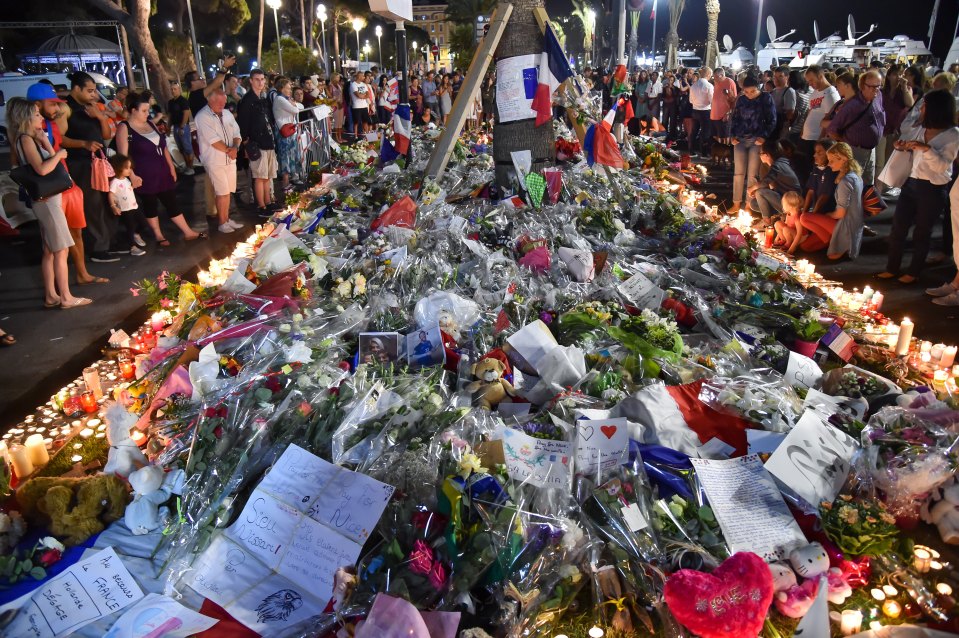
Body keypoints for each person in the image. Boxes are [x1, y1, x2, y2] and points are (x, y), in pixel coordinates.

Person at [6, 98, 90, 309]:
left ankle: (52, 295)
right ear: (26, 118)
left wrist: (46, 144)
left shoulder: (28, 138)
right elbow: (42, 169)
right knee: (61, 249)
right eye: (36, 114)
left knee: (50, 250)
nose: (41, 117)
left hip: (48, 198)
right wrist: (59, 153)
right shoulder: (25, 139)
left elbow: (50, 166)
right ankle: (66, 297)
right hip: (48, 201)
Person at [28, 83, 107, 286]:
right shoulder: (26, 133)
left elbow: (60, 141)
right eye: (52, 104)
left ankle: (81, 274)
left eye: (57, 104)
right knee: (54, 245)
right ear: (37, 105)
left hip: (66, 184)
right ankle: (59, 292)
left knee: (75, 232)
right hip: (50, 189)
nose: (56, 108)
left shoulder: (50, 125)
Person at [877, 90, 959, 284]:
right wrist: (902, 146)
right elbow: (911, 149)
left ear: (936, 109)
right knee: (898, 228)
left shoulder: (953, 135)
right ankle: (892, 267)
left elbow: (941, 166)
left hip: (932, 187)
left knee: (922, 231)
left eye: (924, 105)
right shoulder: (921, 128)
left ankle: (913, 271)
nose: (921, 108)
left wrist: (926, 149)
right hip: (911, 182)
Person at [115, 91, 204, 245]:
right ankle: (158, 234)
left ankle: (187, 231)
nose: (146, 114)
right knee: (150, 204)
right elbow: (123, 157)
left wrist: (170, 166)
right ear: (133, 110)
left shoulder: (150, 123)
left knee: (171, 200)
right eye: (143, 111)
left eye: (147, 110)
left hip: (161, 170)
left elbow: (163, 148)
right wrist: (132, 175)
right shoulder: (124, 128)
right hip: (143, 173)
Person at [59, 71, 120, 264]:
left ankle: (109, 241)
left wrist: (101, 117)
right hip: (81, 163)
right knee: (92, 204)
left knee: (107, 199)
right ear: (77, 89)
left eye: (94, 91)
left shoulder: (91, 107)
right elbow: (60, 139)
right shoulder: (65, 108)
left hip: (99, 161)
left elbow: (106, 134)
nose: (94, 95)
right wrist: (83, 144)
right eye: (90, 91)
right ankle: (97, 247)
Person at [797, 142, 865, 260]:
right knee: (806, 247)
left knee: (804, 218)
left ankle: (840, 241)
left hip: (845, 224)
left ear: (843, 159)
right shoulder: (854, 176)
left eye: (832, 161)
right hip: (852, 223)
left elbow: (840, 213)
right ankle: (830, 239)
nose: (829, 164)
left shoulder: (846, 181)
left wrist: (827, 215)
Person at [824, 70, 886, 184]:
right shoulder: (852, 105)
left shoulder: (878, 96)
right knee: (854, 183)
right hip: (855, 150)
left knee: (868, 183)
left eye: (878, 86)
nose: (875, 89)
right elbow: (832, 129)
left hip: (871, 150)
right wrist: (846, 144)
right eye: (871, 86)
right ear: (862, 86)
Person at [195, 89, 243, 234]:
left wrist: (235, 147)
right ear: (210, 100)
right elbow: (213, 140)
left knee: (227, 191)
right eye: (219, 102)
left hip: (230, 158)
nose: (222, 105)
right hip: (215, 160)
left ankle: (226, 219)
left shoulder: (227, 113)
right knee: (221, 191)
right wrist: (231, 150)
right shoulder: (202, 116)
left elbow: (236, 132)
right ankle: (222, 222)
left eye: (224, 102)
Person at [730, 75, 776, 211]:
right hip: (740, 139)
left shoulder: (766, 98)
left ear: (758, 88)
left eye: (752, 91)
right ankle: (736, 203)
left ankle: (749, 204)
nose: (749, 95)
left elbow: (772, 119)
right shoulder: (741, 99)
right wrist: (732, 135)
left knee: (752, 174)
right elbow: (735, 117)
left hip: (756, 140)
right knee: (738, 173)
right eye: (746, 92)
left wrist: (764, 136)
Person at [237, 69, 279, 217]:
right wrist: (247, 145)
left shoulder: (263, 97)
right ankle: (261, 206)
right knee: (259, 176)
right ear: (251, 81)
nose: (260, 82)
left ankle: (268, 202)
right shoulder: (247, 100)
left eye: (262, 79)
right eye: (257, 79)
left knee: (267, 175)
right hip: (256, 143)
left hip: (268, 141)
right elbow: (242, 124)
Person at [875, 64, 916, 192]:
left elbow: (910, 103)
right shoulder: (882, 91)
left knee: (888, 161)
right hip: (881, 130)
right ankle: (878, 189)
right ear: (888, 75)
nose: (898, 77)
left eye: (901, 74)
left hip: (895, 130)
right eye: (895, 74)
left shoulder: (906, 90)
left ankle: (884, 187)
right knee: (879, 162)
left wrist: (904, 88)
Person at [748, 139, 801, 221]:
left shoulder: (779, 165)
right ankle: (777, 216)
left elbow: (765, 182)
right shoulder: (777, 164)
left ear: (767, 155)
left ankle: (767, 221)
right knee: (754, 203)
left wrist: (752, 188)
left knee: (760, 192)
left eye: (760, 153)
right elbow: (771, 186)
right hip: (782, 197)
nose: (759, 156)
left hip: (791, 202)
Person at [107, 154, 146, 256]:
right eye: (127, 168)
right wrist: (113, 206)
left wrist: (134, 186)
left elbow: (127, 190)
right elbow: (110, 194)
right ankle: (132, 247)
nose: (130, 170)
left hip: (134, 206)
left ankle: (136, 234)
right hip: (125, 209)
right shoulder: (114, 182)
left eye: (130, 168)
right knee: (130, 227)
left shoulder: (126, 179)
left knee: (143, 223)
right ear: (118, 168)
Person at [800, 66, 841, 163]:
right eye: (808, 81)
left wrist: (821, 141)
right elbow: (810, 112)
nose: (810, 84)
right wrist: (803, 131)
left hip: (817, 139)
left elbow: (829, 119)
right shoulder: (815, 92)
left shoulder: (830, 94)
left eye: (811, 80)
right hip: (807, 137)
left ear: (820, 76)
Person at [272, 77, 303, 191]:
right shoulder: (279, 99)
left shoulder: (285, 99)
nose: (290, 90)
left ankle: (293, 177)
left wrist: (293, 104)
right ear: (281, 88)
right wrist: (293, 104)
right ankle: (285, 182)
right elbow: (296, 110)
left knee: (292, 154)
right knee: (285, 156)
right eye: (288, 88)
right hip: (283, 131)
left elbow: (298, 106)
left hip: (289, 129)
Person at [167, 80, 195, 175]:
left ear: (179, 89)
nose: (173, 91)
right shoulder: (170, 102)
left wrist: (182, 127)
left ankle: (191, 167)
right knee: (181, 148)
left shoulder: (183, 101)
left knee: (187, 147)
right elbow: (170, 115)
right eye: (171, 89)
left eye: (175, 89)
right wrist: (168, 127)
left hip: (183, 126)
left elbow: (186, 113)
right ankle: (187, 166)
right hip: (175, 126)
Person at [803, 139, 838, 213]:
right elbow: (811, 191)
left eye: (819, 153)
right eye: (815, 152)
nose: (814, 155)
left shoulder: (833, 171)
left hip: (828, 212)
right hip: (816, 210)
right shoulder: (817, 167)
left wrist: (813, 215)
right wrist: (804, 212)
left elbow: (824, 197)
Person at [689, 67, 714, 156]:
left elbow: (691, 100)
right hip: (705, 110)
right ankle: (703, 152)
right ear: (708, 74)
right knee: (705, 132)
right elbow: (712, 100)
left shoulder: (693, 85)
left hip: (695, 110)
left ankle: (691, 150)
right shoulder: (709, 86)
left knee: (694, 131)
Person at [710, 67, 737, 146]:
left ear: (721, 75)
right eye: (713, 77)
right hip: (714, 114)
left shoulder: (729, 82)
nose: (714, 79)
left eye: (716, 77)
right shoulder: (716, 82)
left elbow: (734, 99)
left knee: (724, 136)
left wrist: (728, 113)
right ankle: (718, 153)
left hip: (723, 114)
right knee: (716, 135)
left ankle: (725, 154)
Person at [771, 66, 796, 141]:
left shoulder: (789, 91)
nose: (776, 79)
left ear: (787, 77)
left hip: (781, 129)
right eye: (775, 76)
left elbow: (790, 113)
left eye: (780, 76)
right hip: (773, 127)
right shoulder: (773, 91)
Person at [349, 71, 372, 138]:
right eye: (363, 76)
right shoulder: (353, 85)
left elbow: (368, 94)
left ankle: (367, 136)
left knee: (365, 121)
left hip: (364, 106)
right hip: (356, 106)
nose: (364, 77)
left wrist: (363, 96)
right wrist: (363, 95)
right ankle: (355, 136)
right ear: (359, 76)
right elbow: (358, 95)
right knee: (356, 122)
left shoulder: (364, 84)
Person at [329, 73, 345, 143]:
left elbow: (342, 95)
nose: (338, 79)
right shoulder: (330, 85)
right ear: (333, 78)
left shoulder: (339, 85)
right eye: (337, 77)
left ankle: (340, 137)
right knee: (336, 122)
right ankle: (336, 138)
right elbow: (329, 96)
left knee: (340, 122)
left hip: (340, 105)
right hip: (335, 106)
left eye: (339, 78)